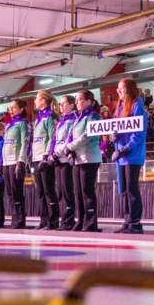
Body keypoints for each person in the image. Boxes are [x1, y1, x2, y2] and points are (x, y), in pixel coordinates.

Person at [110, 78, 148, 234]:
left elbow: (138, 133)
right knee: (124, 189)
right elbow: (114, 126)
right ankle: (127, 222)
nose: (118, 91)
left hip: (132, 154)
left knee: (131, 188)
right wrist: (112, 136)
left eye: (122, 88)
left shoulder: (137, 105)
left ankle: (135, 223)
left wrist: (125, 149)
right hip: (121, 155)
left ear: (130, 89)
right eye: (118, 88)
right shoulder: (120, 107)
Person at [65, 90, 103, 232]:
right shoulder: (78, 118)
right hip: (78, 159)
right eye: (76, 99)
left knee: (87, 191)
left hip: (90, 158)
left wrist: (70, 146)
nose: (76, 102)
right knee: (78, 192)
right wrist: (69, 148)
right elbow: (72, 135)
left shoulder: (93, 117)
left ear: (88, 101)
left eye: (80, 99)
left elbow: (86, 137)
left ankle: (90, 222)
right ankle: (80, 220)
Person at [32, 89, 59, 230]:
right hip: (36, 158)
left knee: (48, 190)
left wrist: (46, 156)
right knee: (40, 191)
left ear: (43, 100)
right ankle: (44, 219)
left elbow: (52, 136)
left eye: (37, 98)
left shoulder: (50, 116)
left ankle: (53, 220)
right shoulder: (38, 118)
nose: (35, 101)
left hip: (45, 158)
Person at [0, 99, 29, 229]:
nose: (11, 110)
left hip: (16, 161)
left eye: (14, 107)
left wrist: (21, 161)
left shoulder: (23, 123)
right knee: (10, 193)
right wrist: (1, 162)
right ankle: (14, 218)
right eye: (10, 108)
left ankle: (20, 220)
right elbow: (5, 144)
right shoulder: (8, 125)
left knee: (17, 191)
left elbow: (25, 143)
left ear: (21, 109)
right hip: (6, 162)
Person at [52, 95, 79, 230]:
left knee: (68, 191)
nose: (61, 106)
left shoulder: (74, 119)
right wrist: (52, 153)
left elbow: (70, 139)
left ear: (72, 105)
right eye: (60, 104)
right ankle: (64, 220)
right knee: (61, 191)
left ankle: (69, 221)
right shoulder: (62, 120)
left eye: (63, 104)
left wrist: (60, 152)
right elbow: (56, 139)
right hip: (58, 159)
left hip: (67, 159)